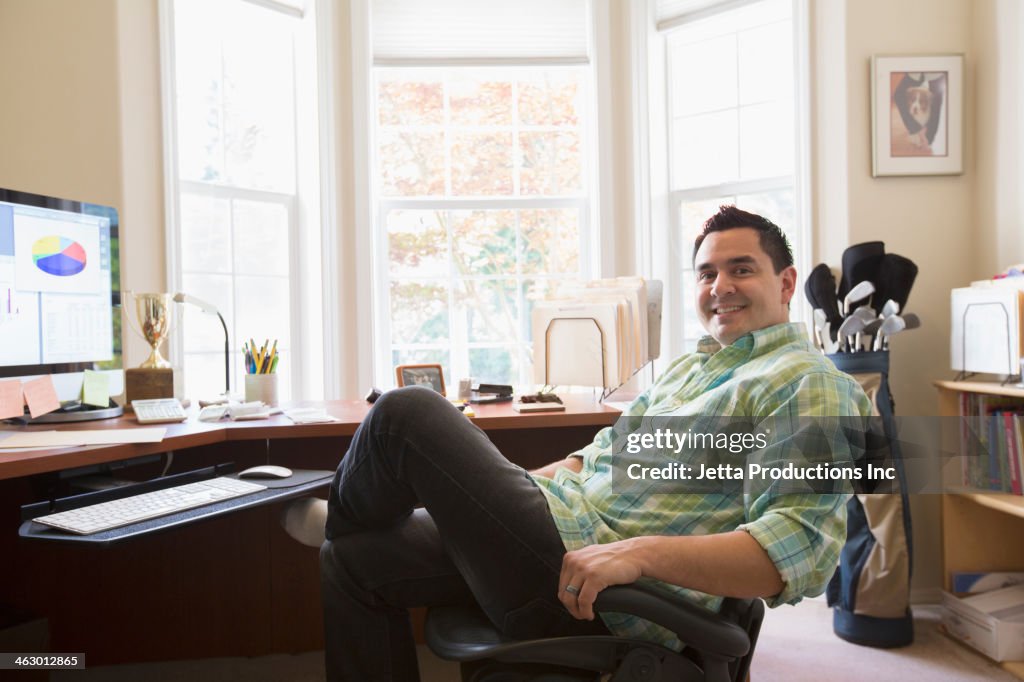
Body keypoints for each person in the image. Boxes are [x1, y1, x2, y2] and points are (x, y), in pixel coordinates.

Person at [318, 205, 872, 681]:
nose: (719, 287)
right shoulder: (689, 370)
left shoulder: (811, 385)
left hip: (593, 580)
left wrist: (634, 554)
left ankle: (343, 508)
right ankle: (347, 519)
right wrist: (502, 496)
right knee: (350, 559)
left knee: (406, 411)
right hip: (558, 525)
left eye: (741, 269)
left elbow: (792, 551)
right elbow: (599, 456)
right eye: (706, 274)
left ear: (785, 282)